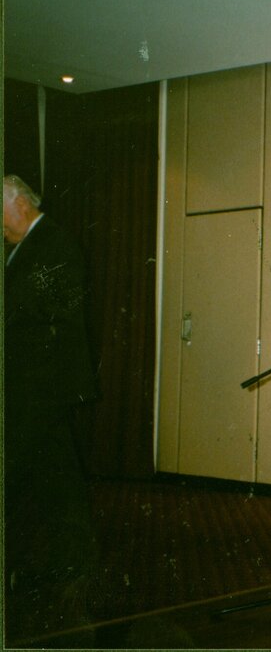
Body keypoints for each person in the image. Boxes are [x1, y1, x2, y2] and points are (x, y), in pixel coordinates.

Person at [3, 174, 98, 638]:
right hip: (29, 386)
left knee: (22, 472)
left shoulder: (55, 243)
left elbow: (55, 311)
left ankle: (66, 562)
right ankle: (72, 562)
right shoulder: (21, 248)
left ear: (20, 203)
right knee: (54, 476)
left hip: (40, 386)